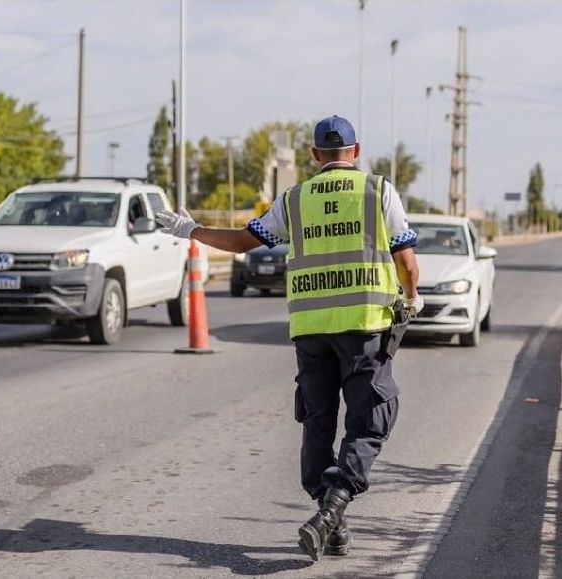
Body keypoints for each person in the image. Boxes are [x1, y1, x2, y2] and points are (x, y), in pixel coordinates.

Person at [156, 115, 422, 562]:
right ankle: (332, 509)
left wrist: (192, 230)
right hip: (365, 329)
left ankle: (330, 520)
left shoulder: (294, 199)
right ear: (356, 152)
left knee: (318, 423)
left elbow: (244, 241)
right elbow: (407, 263)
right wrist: (412, 299)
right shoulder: (378, 190)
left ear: (316, 156)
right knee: (369, 422)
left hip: (311, 332)